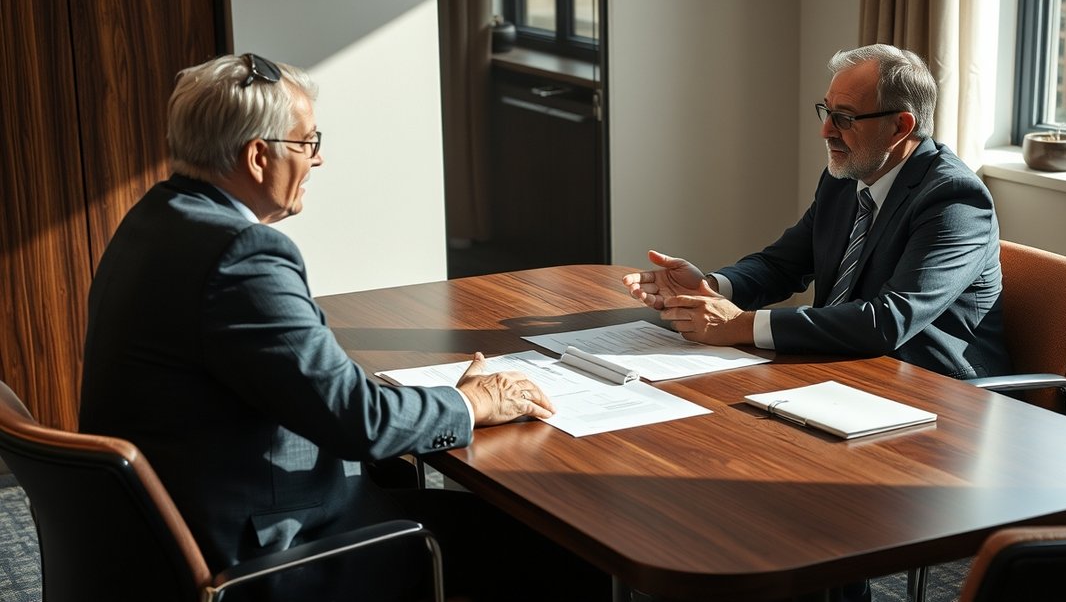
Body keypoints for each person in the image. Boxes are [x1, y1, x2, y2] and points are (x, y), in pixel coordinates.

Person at [80, 53, 606, 602]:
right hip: (270, 550)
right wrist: (472, 404)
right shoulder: (242, 255)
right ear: (259, 156)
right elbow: (358, 423)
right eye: (307, 142)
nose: (319, 158)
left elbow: (302, 385)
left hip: (176, 529)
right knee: (562, 549)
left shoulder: (153, 219)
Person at [623, 43, 1012, 387]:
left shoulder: (954, 200)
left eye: (844, 118)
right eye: (826, 111)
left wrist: (738, 324)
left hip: (934, 391)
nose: (826, 130)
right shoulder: (845, 176)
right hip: (841, 370)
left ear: (900, 126)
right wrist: (712, 286)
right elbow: (782, 264)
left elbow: (887, 321)